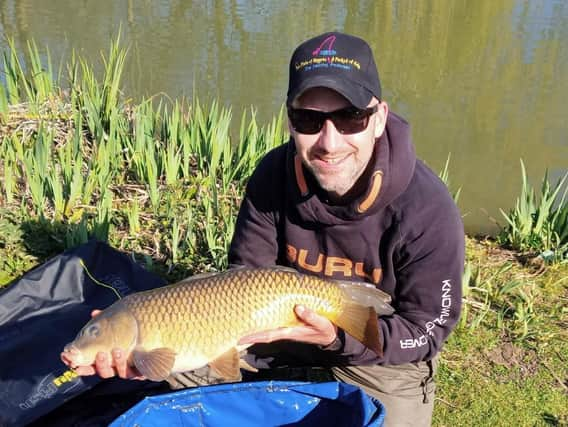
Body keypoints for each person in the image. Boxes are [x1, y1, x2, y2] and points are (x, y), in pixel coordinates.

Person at [63, 32, 465, 427]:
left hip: (377, 343)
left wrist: (335, 338)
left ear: (378, 119)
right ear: (290, 121)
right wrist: (144, 342)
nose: (329, 142)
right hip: (272, 328)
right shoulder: (274, 175)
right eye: (309, 119)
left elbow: (425, 332)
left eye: (349, 118)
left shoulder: (427, 210)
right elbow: (243, 276)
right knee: (178, 365)